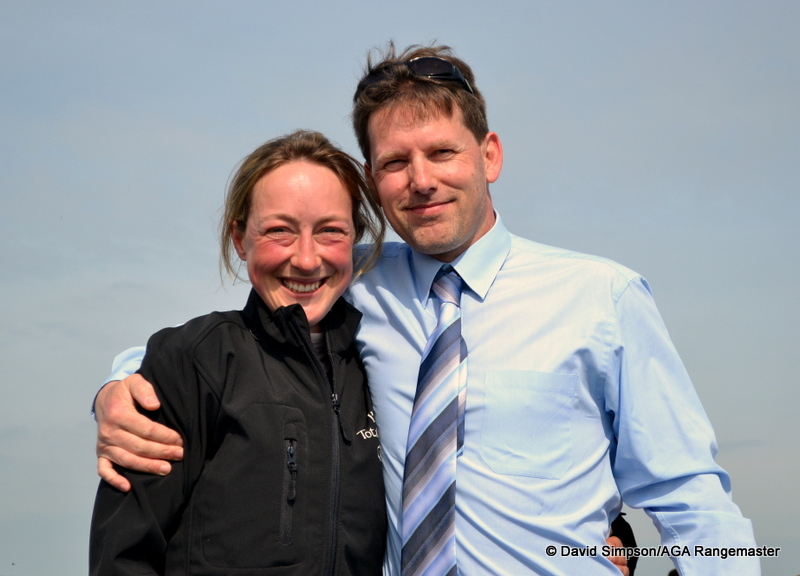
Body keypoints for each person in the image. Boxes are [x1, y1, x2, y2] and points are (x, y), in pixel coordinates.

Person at [93, 43, 760, 574]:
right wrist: (119, 388)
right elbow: (240, 333)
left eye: (442, 152)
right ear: (372, 181)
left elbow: (688, 493)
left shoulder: (602, 298)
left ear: (489, 155)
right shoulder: (354, 280)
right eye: (395, 162)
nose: (421, 179)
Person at [90, 130, 387, 575]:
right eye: (279, 231)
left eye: (330, 231)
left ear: (356, 239)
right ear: (239, 238)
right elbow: (123, 556)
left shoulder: (380, 366)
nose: (306, 259)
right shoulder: (193, 360)